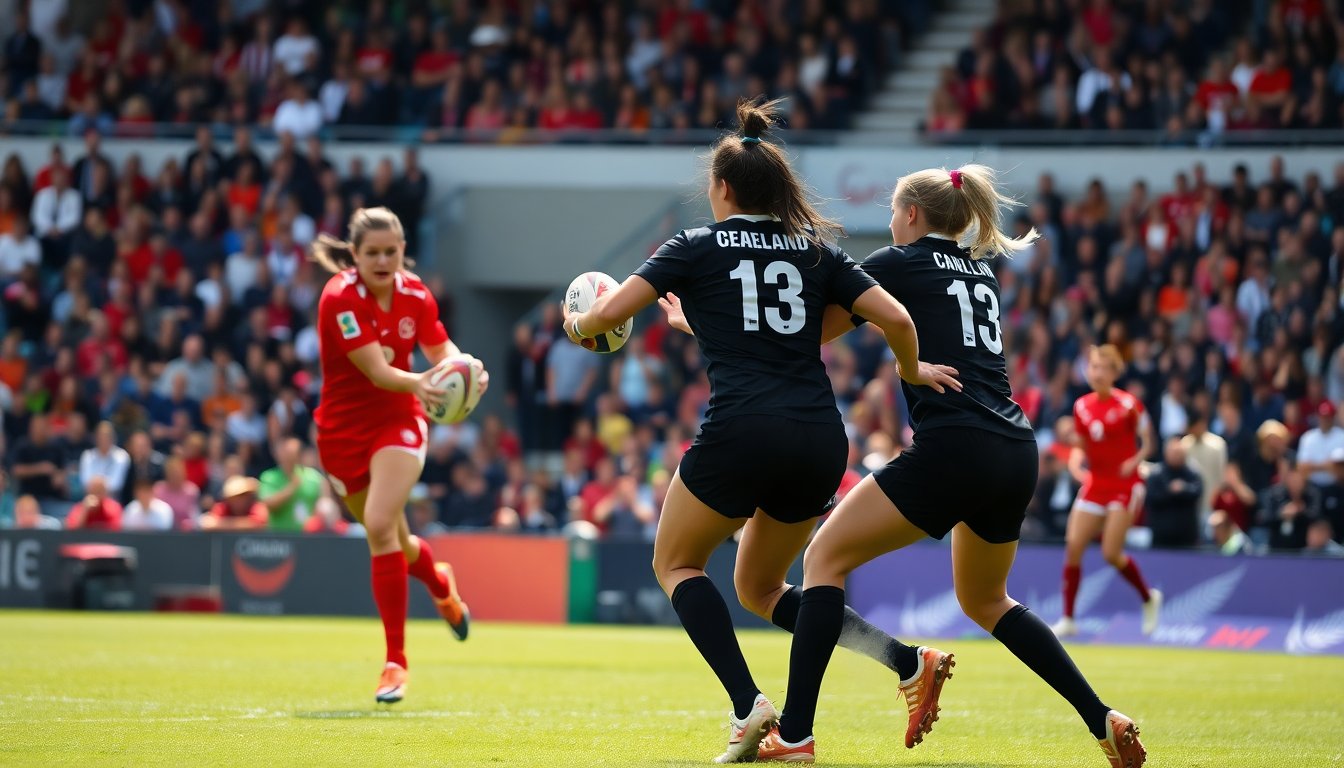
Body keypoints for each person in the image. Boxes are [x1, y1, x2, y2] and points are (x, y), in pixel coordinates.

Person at [565, 100, 957, 764]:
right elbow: (893, 317)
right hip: (816, 438)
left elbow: (606, 315)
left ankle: (748, 705)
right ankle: (904, 660)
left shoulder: (693, 246)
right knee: (760, 588)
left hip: (743, 431)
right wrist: (910, 368)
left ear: (722, 188)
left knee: (676, 563)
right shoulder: (816, 252)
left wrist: (577, 324)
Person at [733, 165, 1144, 766]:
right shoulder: (981, 271)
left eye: (893, 212)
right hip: (1014, 448)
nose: (891, 223)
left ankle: (794, 736)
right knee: (986, 600)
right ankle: (1101, 717)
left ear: (912, 215)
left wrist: (719, 324)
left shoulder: (898, 263)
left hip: (956, 446)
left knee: (823, 560)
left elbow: (809, 331)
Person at [311, 206, 485, 704]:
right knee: (395, 541)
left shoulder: (416, 295)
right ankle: (439, 582)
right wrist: (428, 381)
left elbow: (440, 350)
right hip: (342, 434)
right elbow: (377, 371)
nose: (383, 261)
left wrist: (465, 368)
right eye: (372, 253)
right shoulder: (339, 298)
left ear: (404, 250)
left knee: (381, 524)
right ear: (354, 255)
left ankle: (395, 664)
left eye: (391, 251)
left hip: (400, 421)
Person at [1053, 344, 1163, 638]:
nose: (1097, 373)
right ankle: (1068, 618)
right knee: (1073, 545)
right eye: (1093, 367)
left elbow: (1149, 442)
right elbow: (1082, 446)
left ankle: (1148, 597)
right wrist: (1076, 462)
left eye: (1103, 368)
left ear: (1115, 373)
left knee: (1111, 554)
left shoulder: (1129, 405)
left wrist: (1134, 462)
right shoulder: (1081, 406)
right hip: (1097, 483)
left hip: (1124, 485)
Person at [1145, 437, 1204, 548]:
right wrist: (1170, 491)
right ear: (1166, 453)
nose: (1177, 456)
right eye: (1174, 453)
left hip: (1187, 536)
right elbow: (1151, 497)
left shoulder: (1192, 473)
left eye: (1179, 453)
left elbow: (1197, 492)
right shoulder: (1156, 474)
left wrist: (1183, 489)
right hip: (1161, 535)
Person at [258, 437, 324, 532]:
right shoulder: (269, 477)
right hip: (279, 535)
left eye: (295, 453)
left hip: (308, 535)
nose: (290, 457)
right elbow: (269, 505)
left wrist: (315, 522)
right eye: (287, 453)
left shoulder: (314, 477)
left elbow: (322, 503)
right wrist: (292, 487)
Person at [200, 476, 269, 530]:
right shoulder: (222, 507)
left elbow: (259, 523)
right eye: (235, 497)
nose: (239, 500)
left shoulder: (256, 506)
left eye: (243, 495)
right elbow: (209, 523)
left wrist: (223, 524)